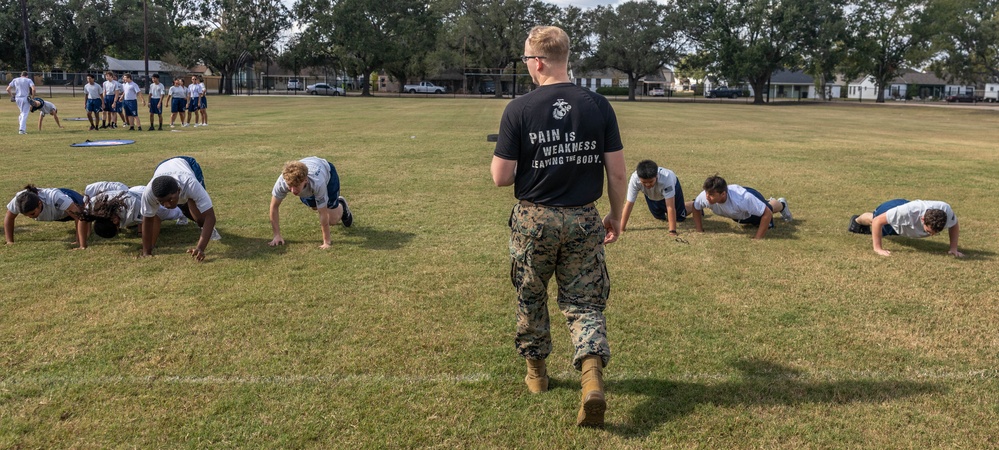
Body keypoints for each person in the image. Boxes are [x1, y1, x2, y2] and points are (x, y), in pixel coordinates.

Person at [490, 25, 626, 428]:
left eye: (527, 61)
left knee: (532, 296)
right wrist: (615, 215)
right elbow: (617, 174)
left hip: (534, 219)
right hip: (584, 216)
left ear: (538, 62)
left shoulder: (520, 108)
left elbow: (501, 177)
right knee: (585, 303)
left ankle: (537, 375)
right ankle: (591, 379)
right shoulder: (598, 105)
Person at [139, 156, 220, 261]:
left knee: (201, 218)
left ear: (178, 190)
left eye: (170, 200)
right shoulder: (149, 192)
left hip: (186, 164)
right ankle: (183, 211)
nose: (167, 205)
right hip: (162, 166)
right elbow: (148, 220)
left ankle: (209, 231)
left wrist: (200, 248)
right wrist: (146, 252)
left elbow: (210, 217)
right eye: (161, 202)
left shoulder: (191, 184)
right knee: (184, 206)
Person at [269, 157, 354, 249]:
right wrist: (276, 235)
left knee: (332, 220)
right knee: (315, 206)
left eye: (296, 186)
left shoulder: (317, 183)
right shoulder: (282, 182)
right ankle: (322, 202)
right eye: (290, 186)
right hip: (310, 180)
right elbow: (274, 206)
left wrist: (327, 242)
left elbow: (322, 212)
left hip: (328, 173)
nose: (293, 191)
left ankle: (341, 204)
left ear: (305, 180)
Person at [848, 199, 962, 257]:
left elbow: (954, 224)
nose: (931, 235)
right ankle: (857, 220)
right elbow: (878, 221)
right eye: (929, 231)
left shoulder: (946, 212)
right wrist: (878, 249)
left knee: (892, 228)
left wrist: (953, 249)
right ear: (922, 220)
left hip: (908, 217)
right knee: (874, 219)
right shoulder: (906, 212)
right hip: (895, 206)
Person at [691, 175, 792, 239]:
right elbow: (696, 207)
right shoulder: (705, 196)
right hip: (740, 212)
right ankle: (763, 203)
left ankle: (781, 204)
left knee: (767, 208)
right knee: (747, 215)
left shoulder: (742, 199)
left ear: (723, 194)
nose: (707, 197)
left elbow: (767, 213)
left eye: (711, 195)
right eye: (707, 193)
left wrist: (757, 238)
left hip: (750, 196)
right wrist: (699, 230)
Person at [81, 181, 185, 239]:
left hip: (142, 194)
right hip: (130, 191)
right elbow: (82, 219)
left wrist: (148, 246)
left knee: (171, 212)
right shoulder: (93, 206)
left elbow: (154, 219)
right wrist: (83, 245)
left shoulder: (132, 208)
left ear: (115, 221)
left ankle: (183, 211)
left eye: (117, 227)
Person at [4, 185, 89, 249]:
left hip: (71, 198)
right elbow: (9, 217)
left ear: (39, 204)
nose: (30, 217)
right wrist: (9, 241)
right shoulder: (19, 201)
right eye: (26, 215)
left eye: (32, 214)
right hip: (58, 213)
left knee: (85, 224)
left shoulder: (57, 198)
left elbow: (80, 217)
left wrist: (79, 242)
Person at [621, 159, 687, 235]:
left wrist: (672, 231)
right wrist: (621, 228)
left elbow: (670, 206)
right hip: (653, 195)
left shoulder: (666, 178)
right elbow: (629, 204)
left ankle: (693, 205)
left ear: (656, 176)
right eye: (644, 182)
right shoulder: (635, 180)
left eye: (650, 181)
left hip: (672, 187)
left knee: (680, 217)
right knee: (658, 216)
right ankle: (681, 206)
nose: (648, 185)